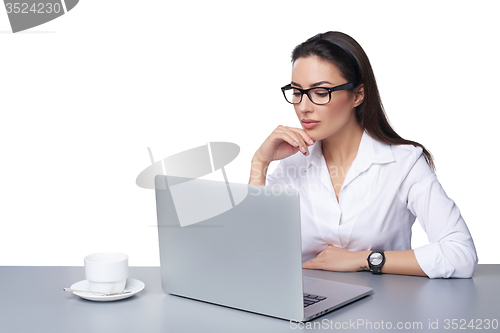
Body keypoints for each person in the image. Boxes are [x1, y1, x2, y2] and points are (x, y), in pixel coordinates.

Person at [248, 31, 477, 278]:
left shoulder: (402, 163)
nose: (303, 107)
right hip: (307, 307)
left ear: (357, 95)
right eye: (296, 92)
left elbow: (460, 254)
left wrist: (362, 260)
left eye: (321, 93)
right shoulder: (293, 163)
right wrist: (260, 163)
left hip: (384, 307)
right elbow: (252, 254)